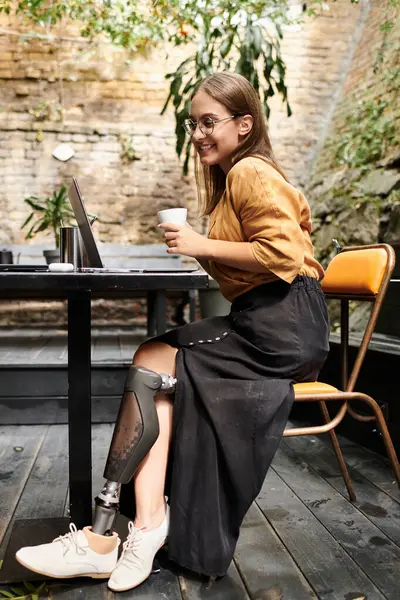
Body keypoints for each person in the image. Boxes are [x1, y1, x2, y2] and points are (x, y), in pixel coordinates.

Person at [15, 72, 329, 591]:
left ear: (244, 125)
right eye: (194, 123)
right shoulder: (234, 180)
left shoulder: (249, 170)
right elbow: (276, 245)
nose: (199, 133)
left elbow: (284, 256)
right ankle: (140, 528)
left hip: (282, 326)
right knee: (152, 368)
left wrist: (199, 244)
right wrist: (204, 246)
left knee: (151, 358)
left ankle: (103, 538)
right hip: (272, 318)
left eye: (210, 122)